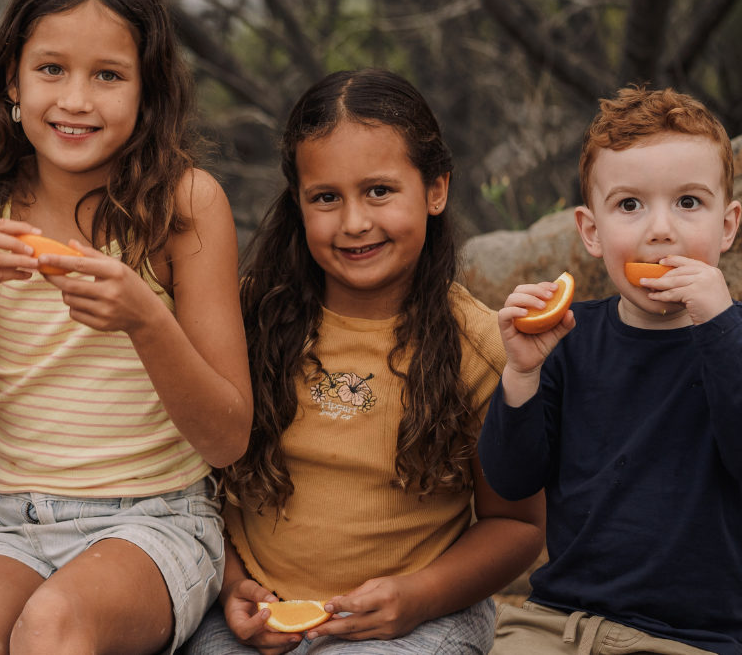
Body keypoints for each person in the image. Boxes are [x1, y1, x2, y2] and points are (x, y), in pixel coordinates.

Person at [0, 0, 252, 655]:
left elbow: (227, 438)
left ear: (148, 91)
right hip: (6, 520)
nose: (74, 100)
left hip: (154, 520)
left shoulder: (185, 206)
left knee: (53, 625)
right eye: (51, 69)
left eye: (108, 76)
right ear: (12, 78)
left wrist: (146, 320)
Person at [190, 69, 546, 655]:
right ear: (299, 203)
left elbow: (518, 526)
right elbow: (195, 484)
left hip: (420, 620)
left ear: (436, 189)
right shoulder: (247, 322)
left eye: (379, 191)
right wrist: (232, 588)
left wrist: (419, 597)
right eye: (326, 198)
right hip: (254, 618)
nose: (354, 222)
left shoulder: (481, 348)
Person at [483, 87, 741, 655]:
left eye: (688, 203)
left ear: (728, 227)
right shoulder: (569, 342)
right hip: (555, 623)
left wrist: (721, 329)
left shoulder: (735, 340)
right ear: (591, 231)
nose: (660, 230)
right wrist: (521, 376)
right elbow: (512, 479)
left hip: (693, 639)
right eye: (630, 205)